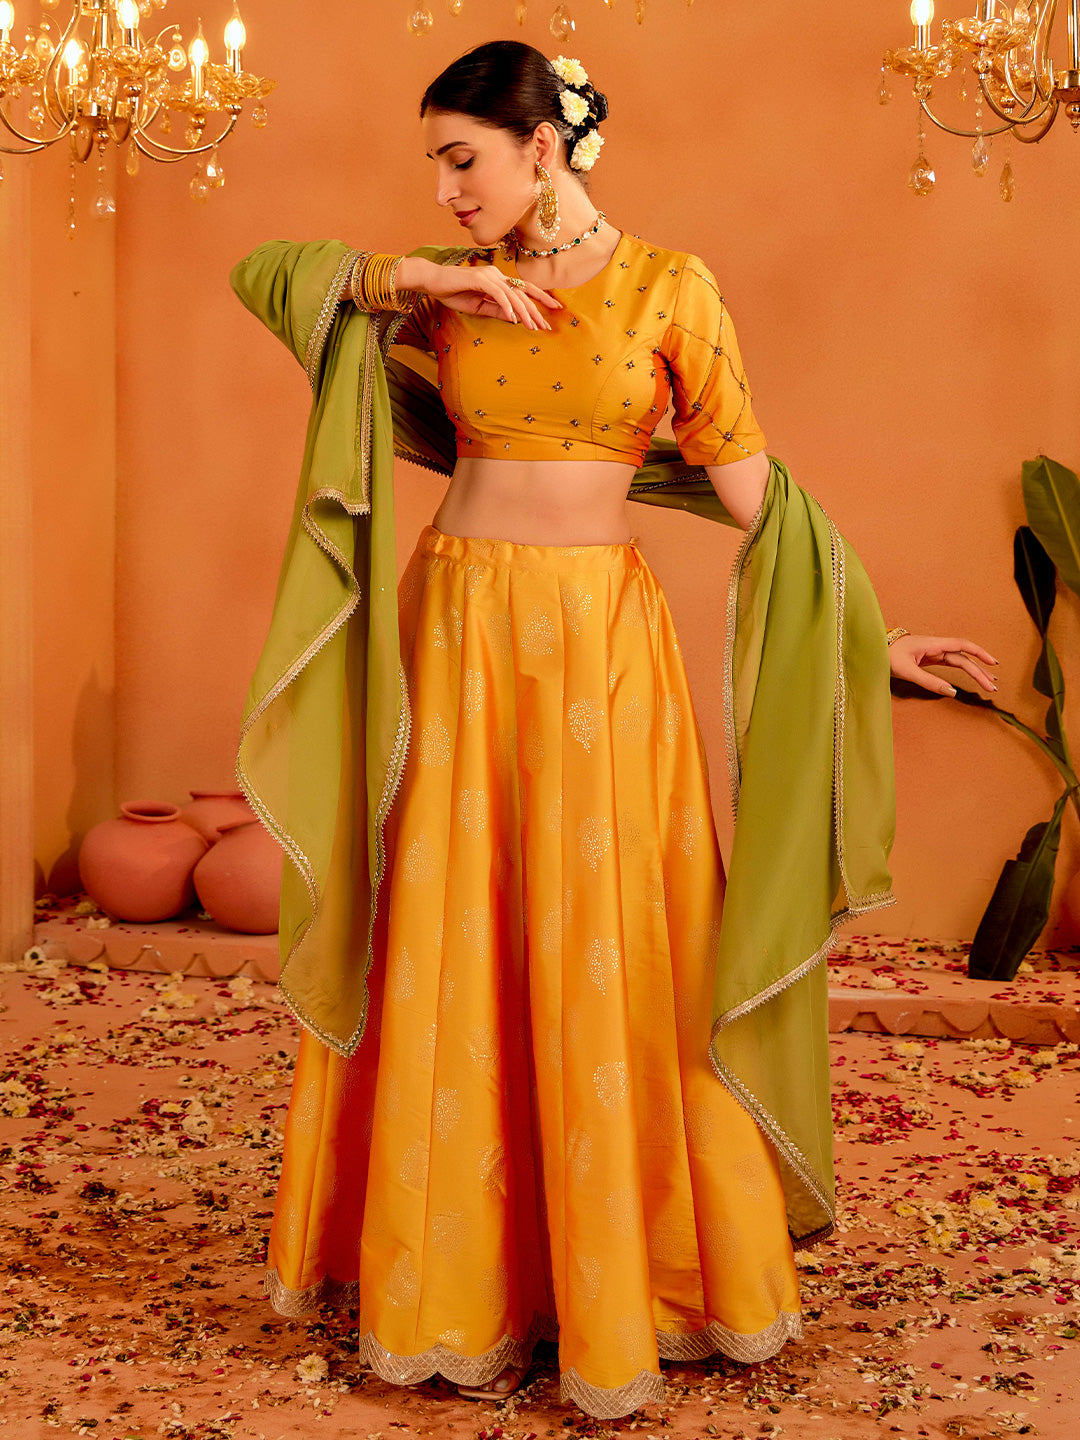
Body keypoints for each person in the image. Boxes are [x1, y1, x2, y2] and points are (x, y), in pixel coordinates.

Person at [228, 39, 997, 1422]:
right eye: (435, 165)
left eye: (465, 158)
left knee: (609, 943)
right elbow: (269, 280)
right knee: (449, 936)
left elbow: (758, 498)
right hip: (457, 633)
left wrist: (871, 639)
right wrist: (429, 279)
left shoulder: (670, 289)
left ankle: (620, 1274)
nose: (448, 188)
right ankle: (453, 1275)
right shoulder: (448, 288)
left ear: (544, 145)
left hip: (598, 649)